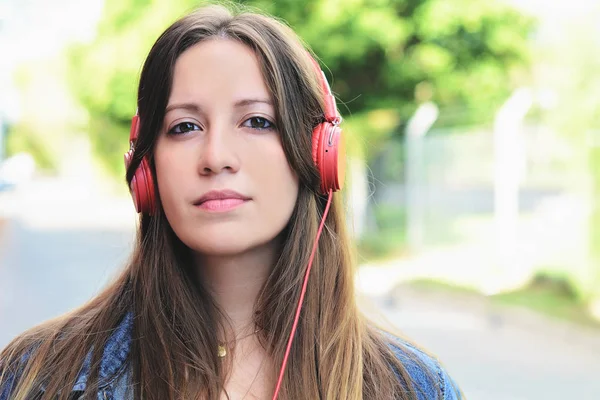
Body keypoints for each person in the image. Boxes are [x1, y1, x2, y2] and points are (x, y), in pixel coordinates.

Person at [0, 3, 462, 399]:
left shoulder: (413, 387)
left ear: (319, 155)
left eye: (257, 121)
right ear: (146, 171)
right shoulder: (39, 376)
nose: (216, 157)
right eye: (184, 127)